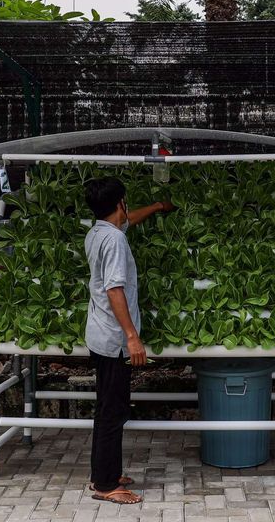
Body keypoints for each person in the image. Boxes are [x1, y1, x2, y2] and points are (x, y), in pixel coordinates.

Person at [83, 176, 174, 505]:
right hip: (114, 339)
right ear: (120, 203)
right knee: (113, 411)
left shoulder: (98, 232)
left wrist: (158, 207)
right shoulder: (116, 242)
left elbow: (127, 220)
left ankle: (103, 472)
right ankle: (106, 485)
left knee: (106, 407)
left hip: (99, 334)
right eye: (126, 202)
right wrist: (133, 338)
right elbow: (114, 289)